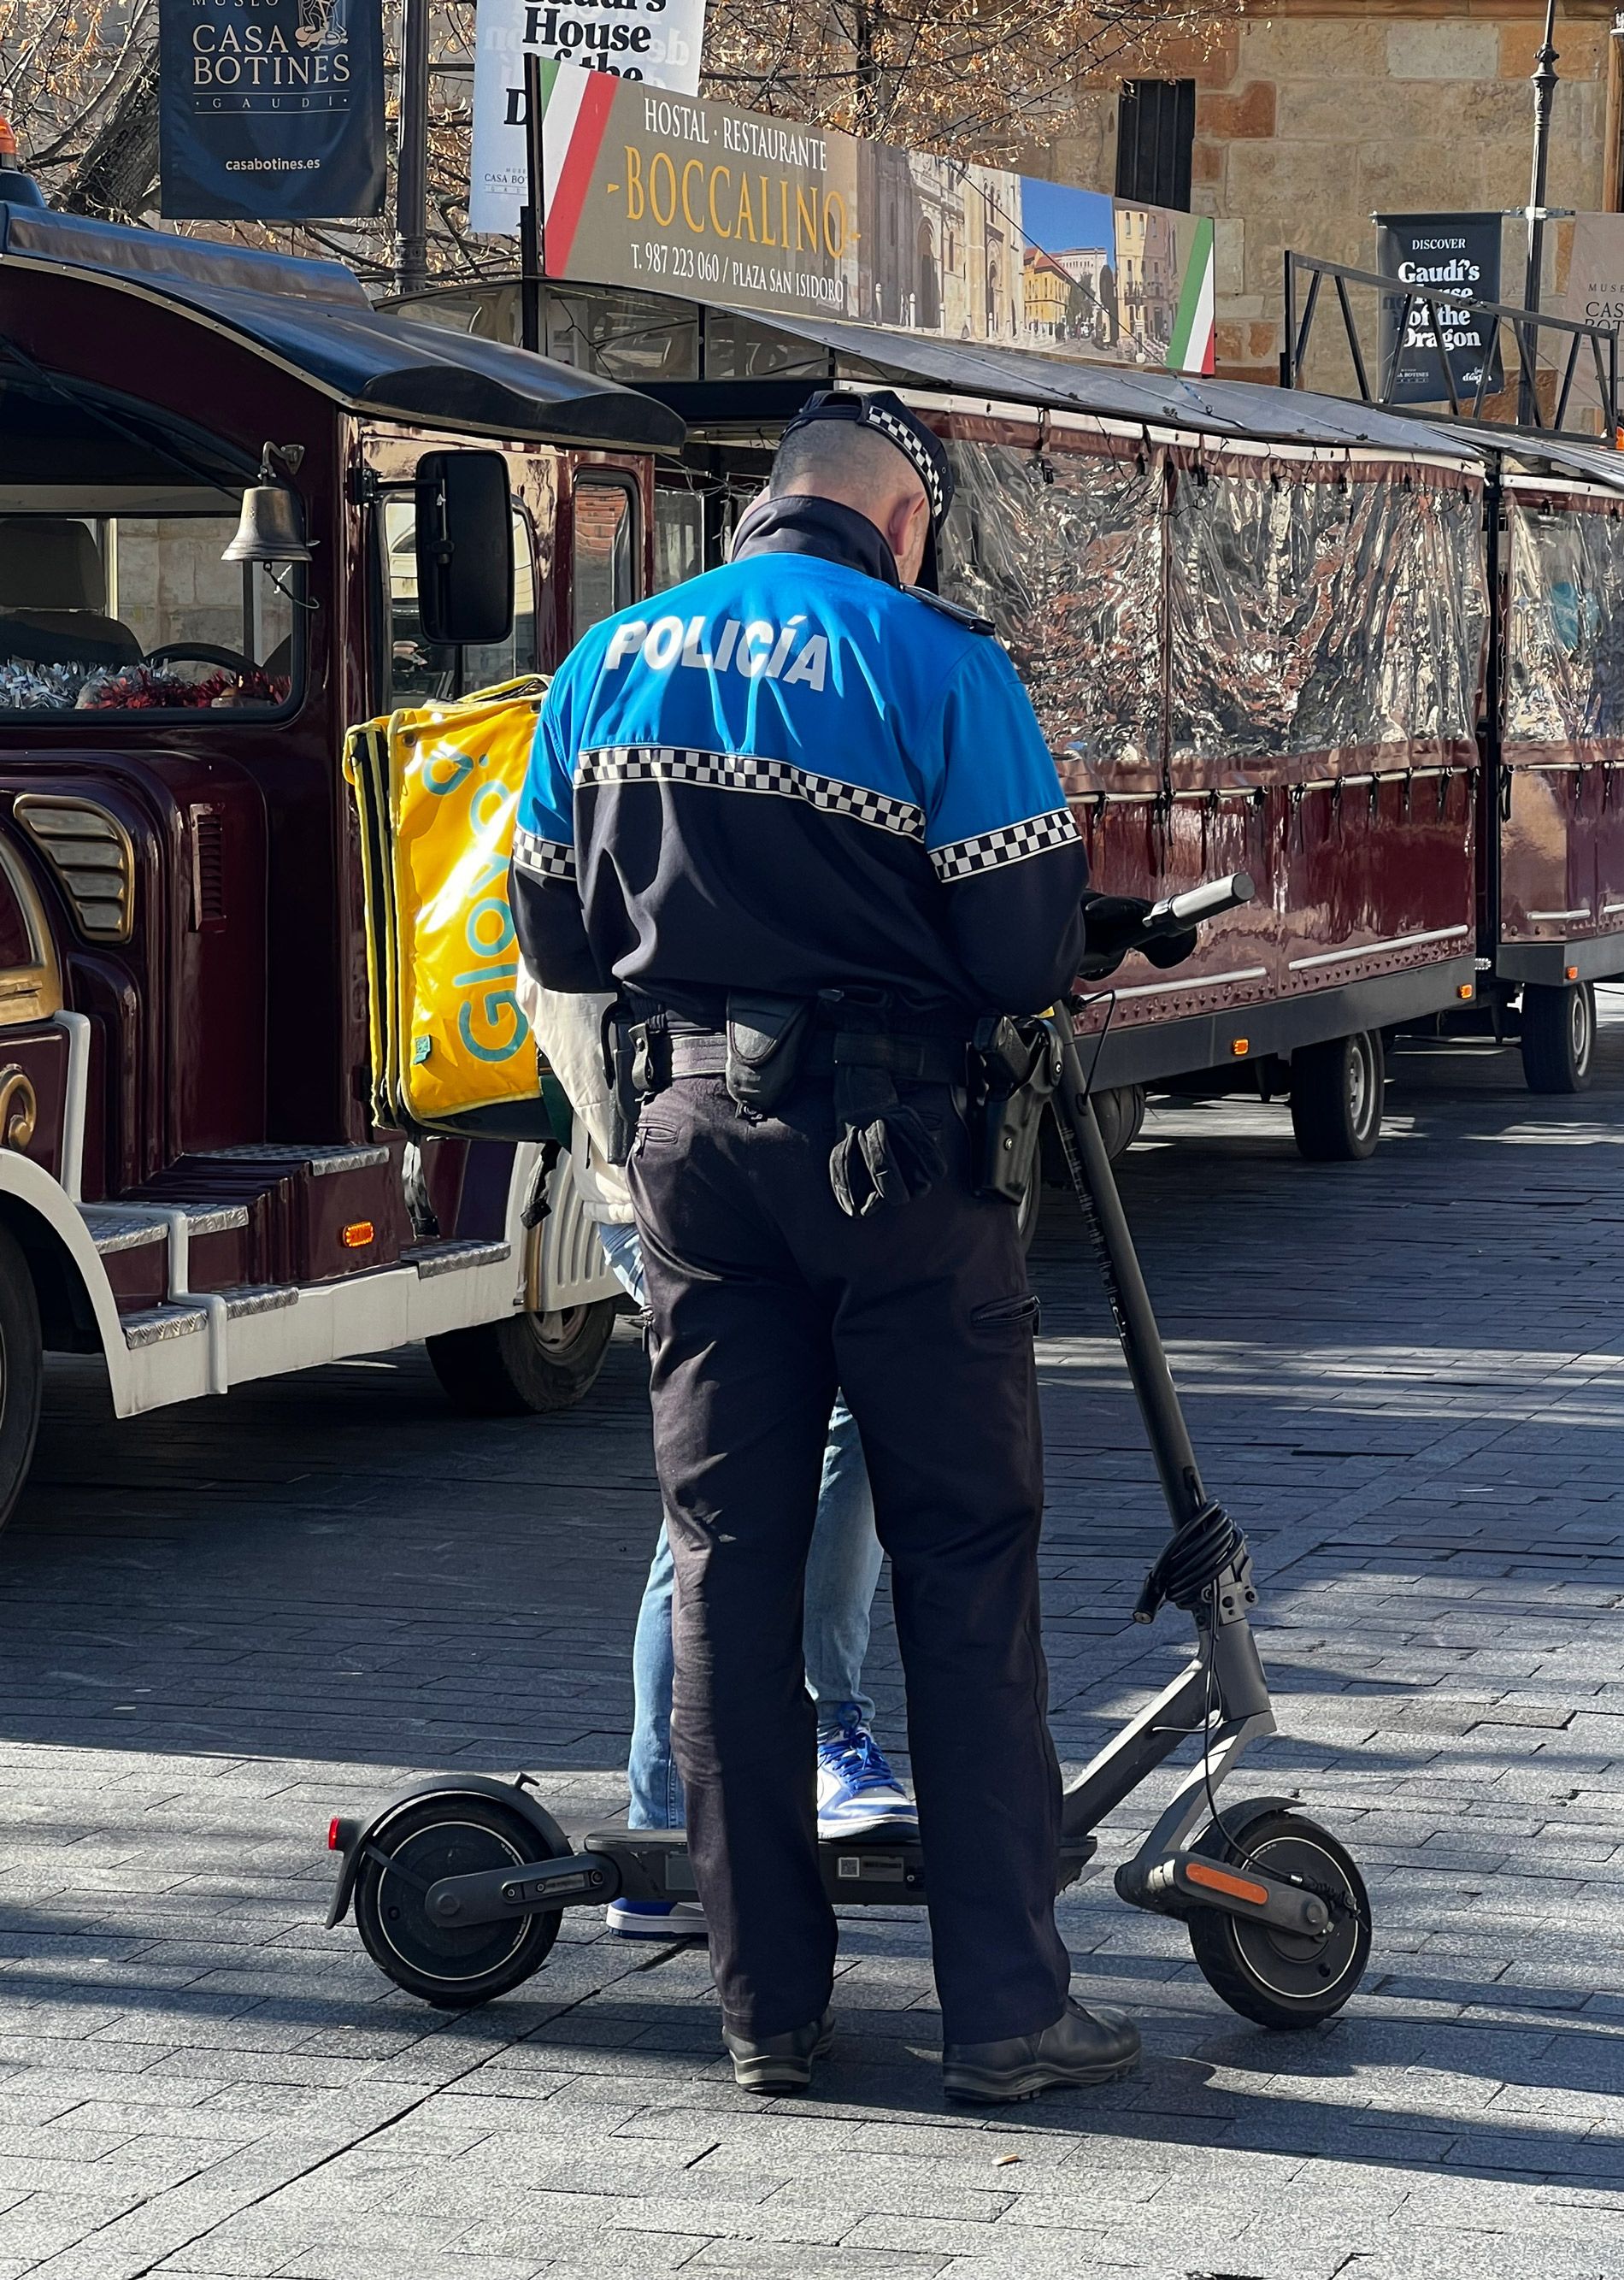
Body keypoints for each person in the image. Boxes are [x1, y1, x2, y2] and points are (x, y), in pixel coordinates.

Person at [510, 390, 1141, 2105]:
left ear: (767, 502)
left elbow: (555, 930)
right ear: (901, 520)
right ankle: (1004, 2011)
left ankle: (765, 2009)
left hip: (693, 1152)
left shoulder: (607, 661)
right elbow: (1017, 946)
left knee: (729, 1559)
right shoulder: (935, 663)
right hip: (897, 1161)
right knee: (963, 1555)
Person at [515, 974, 919, 1944]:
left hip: (720, 1164)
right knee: (738, 1476)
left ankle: (668, 1827)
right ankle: (811, 1747)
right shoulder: (598, 861)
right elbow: (563, 980)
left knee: (724, 1483)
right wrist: (646, 1136)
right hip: (675, 1176)